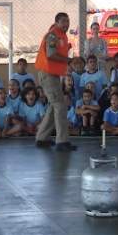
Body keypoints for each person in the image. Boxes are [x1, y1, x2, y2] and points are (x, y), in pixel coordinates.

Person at [34, 12, 76, 151]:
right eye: (63, 21)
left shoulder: (61, 35)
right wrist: (68, 60)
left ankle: (42, 137)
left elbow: (59, 50)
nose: (66, 24)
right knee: (60, 105)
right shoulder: (53, 34)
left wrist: (67, 50)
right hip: (48, 74)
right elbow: (51, 54)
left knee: (54, 106)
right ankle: (62, 141)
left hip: (54, 74)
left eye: (68, 21)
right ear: (57, 22)